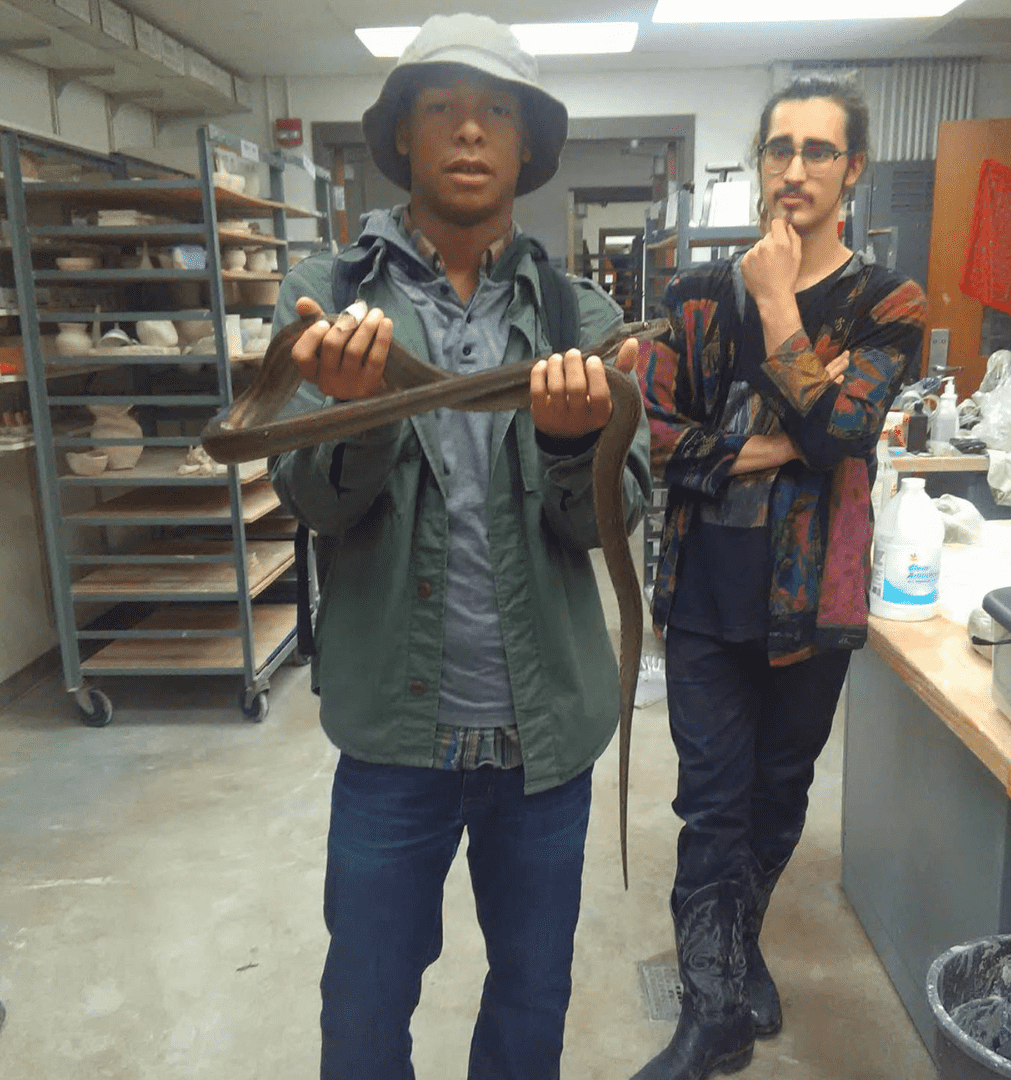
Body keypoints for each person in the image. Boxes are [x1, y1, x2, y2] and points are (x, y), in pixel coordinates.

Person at [267, 13, 651, 1080]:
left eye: (497, 111)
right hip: (397, 738)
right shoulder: (330, 300)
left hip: (545, 744)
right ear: (403, 138)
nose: (471, 132)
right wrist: (357, 415)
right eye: (442, 108)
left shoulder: (585, 315)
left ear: (529, 144)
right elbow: (313, 504)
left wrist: (579, 448)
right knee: (364, 1008)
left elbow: (606, 526)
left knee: (532, 1000)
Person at [631, 76, 927, 1078]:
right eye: (778, 148)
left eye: (816, 150)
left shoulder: (888, 303)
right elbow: (660, 442)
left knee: (778, 792)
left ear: (853, 168)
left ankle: (736, 946)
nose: (793, 169)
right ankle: (711, 1009)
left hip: (818, 599)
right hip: (707, 598)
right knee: (711, 804)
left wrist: (777, 305)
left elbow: (847, 431)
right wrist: (782, 443)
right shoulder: (692, 300)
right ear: (760, 161)